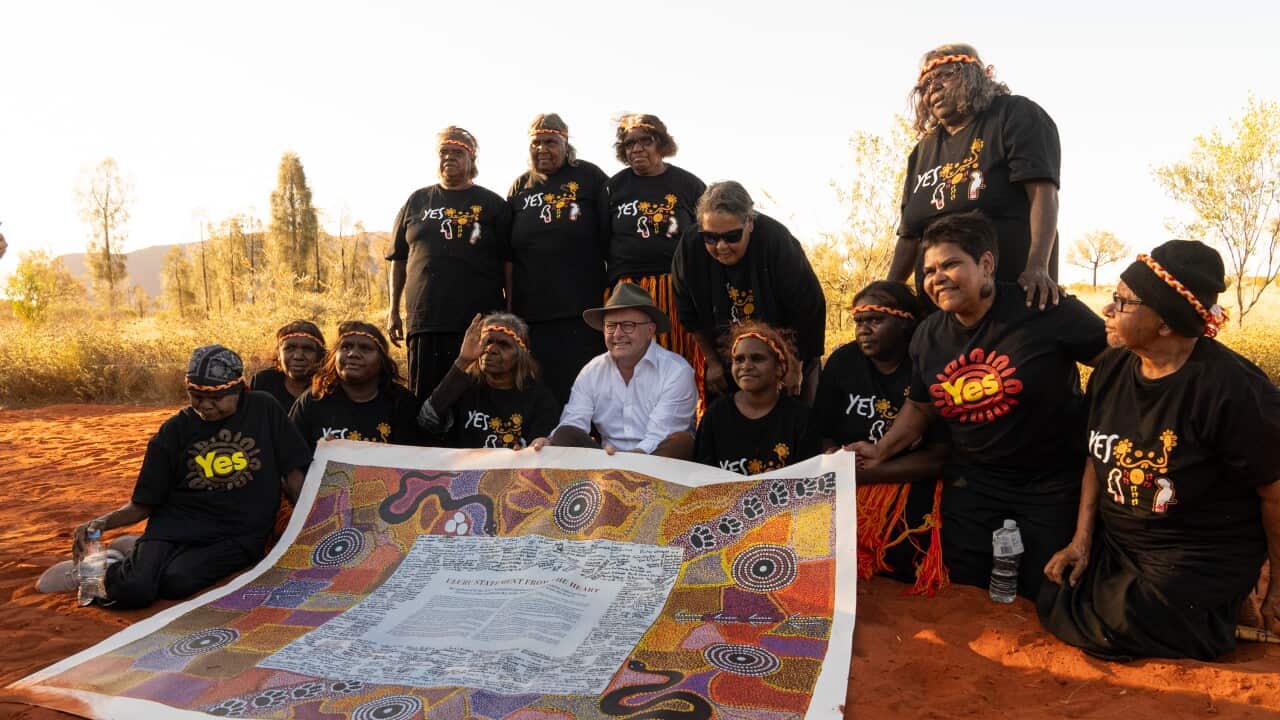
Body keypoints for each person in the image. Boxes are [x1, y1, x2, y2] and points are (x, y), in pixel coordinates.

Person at [1038, 241, 1280, 661]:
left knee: (1123, 621)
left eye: (1122, 303)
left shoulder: (1230, 389)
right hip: (1122, 541)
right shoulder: (1114, 367)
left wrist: (1277, 584)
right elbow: (1097, 458)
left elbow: (1273, 492)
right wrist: (1081, 541)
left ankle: (1222, 610)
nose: (1106, 311)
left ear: (1166, 323)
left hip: (1194, 549)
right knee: (1053, 584)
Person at [852, 212, 1106, 600]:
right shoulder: (928, 335)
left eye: (951, 264)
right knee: (968, 588)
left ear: (986, 264)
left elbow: (1115, 362)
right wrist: (881, 450)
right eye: (929, 270)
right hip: (975, 483)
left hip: (1051, 483)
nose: (937, 278)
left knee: (1047, 592)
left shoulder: (1042, 308)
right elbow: (920, 409)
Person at [37, 345, 311, 608]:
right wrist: (98, 524)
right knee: (136, 590)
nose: (204, 405)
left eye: (215, 398)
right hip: (175, 526)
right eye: (195, 395)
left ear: (238, 389)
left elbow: (293, 471)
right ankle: (98, 567)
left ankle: (136, 554)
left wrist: (309, 523)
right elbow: (144, 503)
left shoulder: (264, 409)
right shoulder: (174, 431)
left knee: (176, 582)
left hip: (239, 533)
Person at [889, 43, 1062, 311]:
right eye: (925, 85)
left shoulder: (1013, 114)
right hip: (939, 309)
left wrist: (1038, 267)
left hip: (1011, 296)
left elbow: (1043, 192)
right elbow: (910, 234)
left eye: (945, 75)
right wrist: (888, 293)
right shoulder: (923, 150)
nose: (933, 87)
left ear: (973, 76)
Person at [812, 282, 949, 594]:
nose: (863, 330)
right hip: (849, 479)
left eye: (875, 320)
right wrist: (835, 456)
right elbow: (822, 431)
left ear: (905, 323)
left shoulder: (926, 365)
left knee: (907, 554)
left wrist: (866, 473)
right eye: (859, 322)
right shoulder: (842, 362)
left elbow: (941, 455)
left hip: (909, 483)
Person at [673, 181, 826, 405]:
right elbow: (688, 314)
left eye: (732, 236)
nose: (721, 246)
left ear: (750, 224)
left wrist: (794, 366)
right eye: (711, 238)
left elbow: (808, 308)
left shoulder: (777, 241)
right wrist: (712, 362)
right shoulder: (690, 247)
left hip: (787, 354)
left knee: (795, 423)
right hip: (729, 359)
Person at [387, 126, 513, 397]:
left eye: (457, 152)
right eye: (444, 152)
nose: (449, 157)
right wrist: (393, 310)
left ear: (472, 159)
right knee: (425, 399)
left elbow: (508, 262)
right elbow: (398, 259)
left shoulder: (493, 205)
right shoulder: (416, 201)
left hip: (476, 322)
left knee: (475, 396)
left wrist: (510, 312)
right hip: (425, 319)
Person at [507, 113, 609, 405]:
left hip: (582, 310)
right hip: (533, 314)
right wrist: (511, 307)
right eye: (536, 143)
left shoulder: (590, 178)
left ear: (566, 144)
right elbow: (508, 255)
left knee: (583, 389)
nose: (542, 149)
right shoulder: (520, 187)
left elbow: (609, 237)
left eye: (550, 142)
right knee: (539, 391)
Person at [532, 281, 697, 459]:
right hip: (607, 462)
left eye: (628, 325)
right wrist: (550, 442)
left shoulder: (676, 371)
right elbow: (574, 421)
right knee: (565, 434)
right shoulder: (592, 370)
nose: (617, 334)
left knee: (681, 441)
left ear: (650, 330)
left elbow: (660, 435)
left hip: (656, 463)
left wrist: (625, 465)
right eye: (610, 326)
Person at [604, 114, 707, 389]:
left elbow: (704, 237)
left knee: (675, 361)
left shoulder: (689, 185)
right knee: (629, 364)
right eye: (629, 144)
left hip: (672, 287)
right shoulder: (614, 187)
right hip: (626, 288)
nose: (636, 149)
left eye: (645, 141)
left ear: (660, 144)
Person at [418, 312, 560, 449]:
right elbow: (427, 421)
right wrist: (463, 361)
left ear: (520, 355)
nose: (491, 349)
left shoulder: (540, 399)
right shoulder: (463, 388)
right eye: (486, 342)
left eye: (504, 345)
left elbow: (541, 450)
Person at [694, 322, 817, 474]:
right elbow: (701, 475)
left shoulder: (800, 418)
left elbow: (809, 480)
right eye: (739, 360)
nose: (746, 366)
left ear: (779, 368)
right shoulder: (716, 414)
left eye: (757, 359)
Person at [290, 321, 427, 450]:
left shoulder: (402, 403)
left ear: (382, 360)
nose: (353, 354)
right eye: (345, 347)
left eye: (365, 348)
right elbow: (292, 462)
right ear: (334, 357)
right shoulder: (313, 400)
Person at [249, 320, 325, 411]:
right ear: (278, 354)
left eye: (307, 349)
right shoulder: (263, 382)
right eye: (290, 348)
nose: (298, 356)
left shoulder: (328, 387)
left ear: (319, 355)